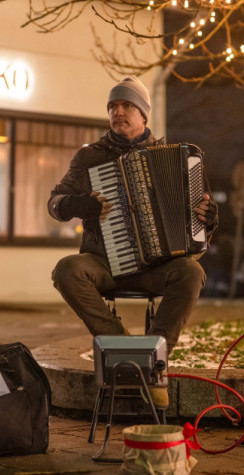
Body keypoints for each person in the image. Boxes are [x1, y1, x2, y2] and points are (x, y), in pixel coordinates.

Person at [48, 76, 218, 406]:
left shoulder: (176, 157)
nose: (118, 112)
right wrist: (77, 204)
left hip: (156, 265)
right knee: (66, 270)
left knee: (191, 273)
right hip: (103, 262)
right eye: (113, 106)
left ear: (144, 115)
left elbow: (201, 218)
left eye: (126, 105)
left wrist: (210, 218)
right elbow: (54, 203)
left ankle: (154, 359)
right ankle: (123, 345)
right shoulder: (90, 157)